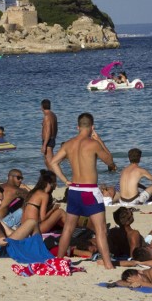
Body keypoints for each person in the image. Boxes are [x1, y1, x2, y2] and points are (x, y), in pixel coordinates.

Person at [47, 112, 116, 268]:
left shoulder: (68, 144)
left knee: (68, 228)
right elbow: (110, 161)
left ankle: (59, 261)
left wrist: (65, 180)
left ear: (78, 127)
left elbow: (53, 162)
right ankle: (108, 265)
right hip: (90, 191)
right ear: (92, 127)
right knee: (100, 230)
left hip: (74, 190)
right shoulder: (93, 144)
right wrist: (100, 140)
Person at [13, 169, 64, 237]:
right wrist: (53, 209)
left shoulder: (33, 192)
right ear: (49, 183)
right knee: (60, 212)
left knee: (56, 215)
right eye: (55, 182)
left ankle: (69, 227)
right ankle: (72, 229)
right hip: (34, 229)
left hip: (23, 227)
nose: (56, 184)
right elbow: (43, 218)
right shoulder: (44, 195)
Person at [40, 99, 57, 166]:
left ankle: (53, 176)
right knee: (47, 162)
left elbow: (48, 131)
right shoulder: (53, 115)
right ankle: (51, 175)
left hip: (48, 141)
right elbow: (56, 128)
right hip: (51, 139)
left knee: (50, 163)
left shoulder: (47, 116)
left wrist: (44, 145)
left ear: (42, 106)